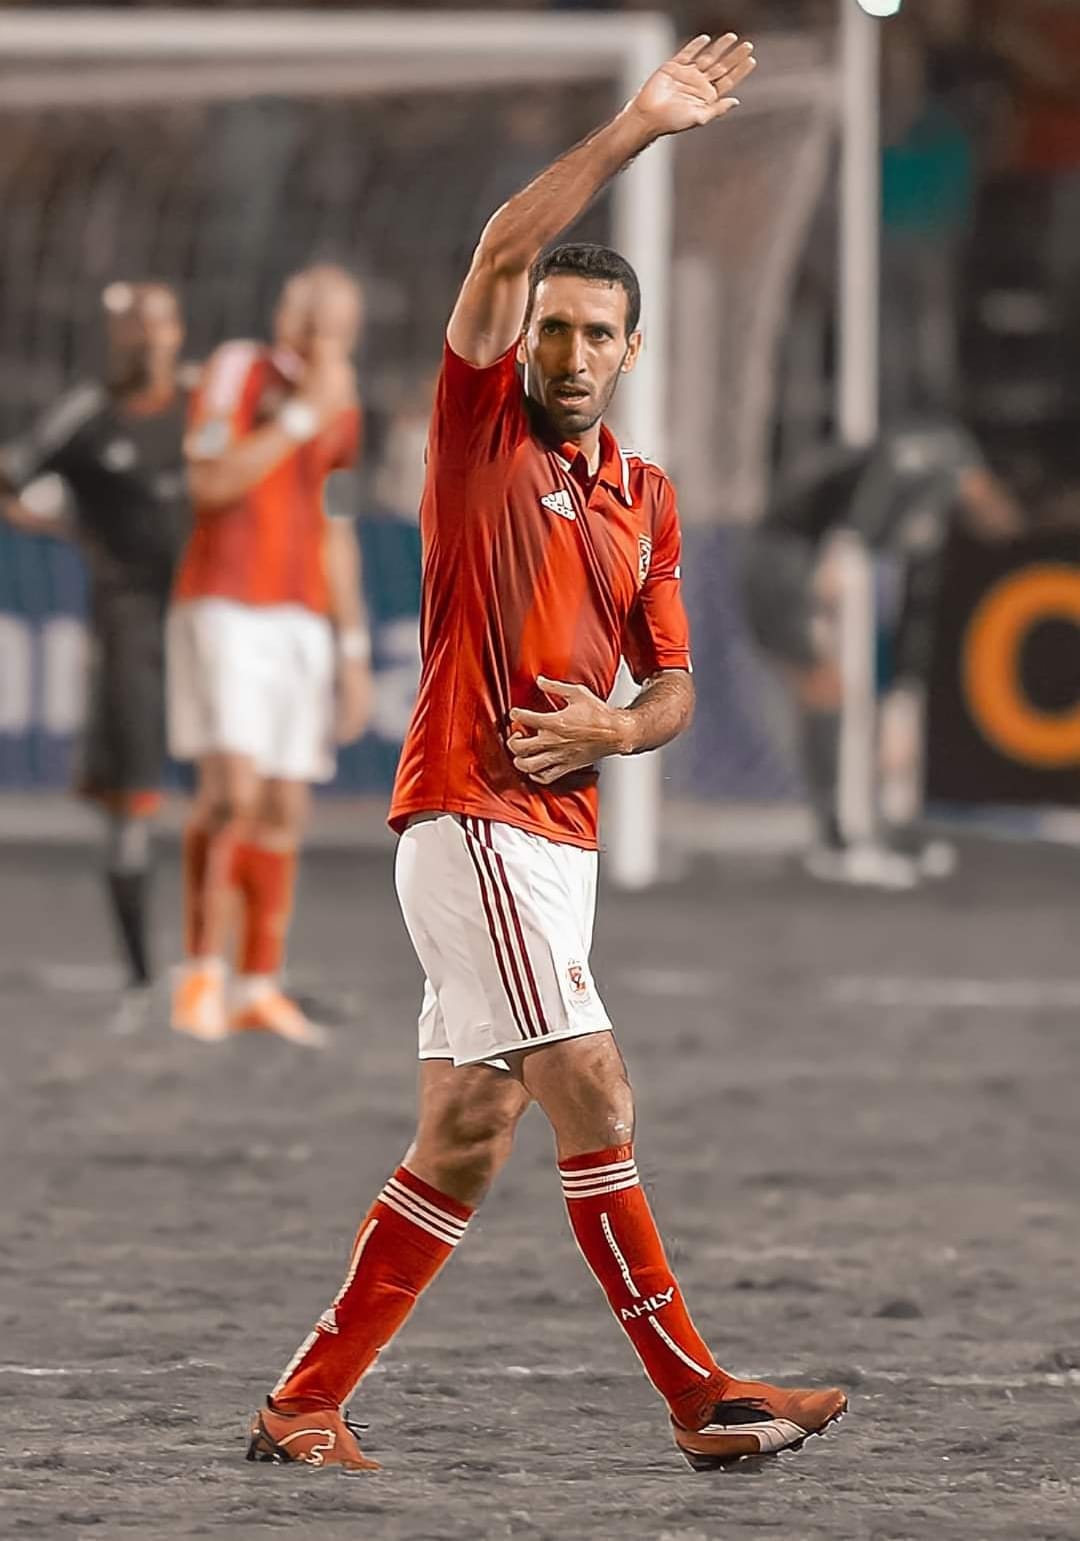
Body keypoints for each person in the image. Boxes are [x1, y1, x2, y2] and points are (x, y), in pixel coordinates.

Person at [248, 33, 848, 1474]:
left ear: (632, 351)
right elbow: (505, 246)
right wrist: (637, 127)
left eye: (596, 334)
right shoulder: (480, 435)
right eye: (553, 330)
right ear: (524, 341)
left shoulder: (647, 493)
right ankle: (699, 1395)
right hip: (471, 816)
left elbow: (675, 686)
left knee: (465, 1132)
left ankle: (303, 1403)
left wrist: (616, 726)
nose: (570, 353)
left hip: (556, 842)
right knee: (598, 1087)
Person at [169, 264, 373, 1048]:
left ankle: (257, 984)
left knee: (286, 803)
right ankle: (199, 975)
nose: (326, 331)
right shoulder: (239, 369)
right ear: (288, 316)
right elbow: (210, 479)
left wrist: (351, 646)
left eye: (340, 320)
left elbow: (336, 529)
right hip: (225, 601)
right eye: (314, 314)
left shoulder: (343, 409)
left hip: (301, 618)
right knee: (233, 791)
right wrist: (298, 418)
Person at [0, 282, 190, 1033]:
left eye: (155, 324)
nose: (144, 338)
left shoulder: (205, 405)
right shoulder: (87, 414)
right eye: (130, 326)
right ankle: (142, 977)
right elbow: (11, 475)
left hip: (211, 616)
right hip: (129, 621)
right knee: (128, 796)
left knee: (242, 792)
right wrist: (67, 531)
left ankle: (235, 973)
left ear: (177, 331)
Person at [742, 420, 1022, 884]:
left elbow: (914, 603)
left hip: (807, 554)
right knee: (824, 690)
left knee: (836, 694)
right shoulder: (945, 456)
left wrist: (903, 695)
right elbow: (889, 462)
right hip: (789, 553)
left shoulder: (928, 513)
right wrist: (843, 545)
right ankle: (836, 832)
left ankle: (856, 824)